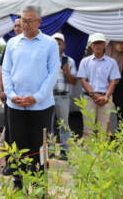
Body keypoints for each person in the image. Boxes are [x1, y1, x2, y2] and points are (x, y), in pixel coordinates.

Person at [2, 5, 60, 189]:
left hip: (41, 107)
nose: (24, 24)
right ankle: (19, 183)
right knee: (17, 146)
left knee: (40, 147)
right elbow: (6, 71)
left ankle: (39, 185)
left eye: (29, 20)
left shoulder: (50, 43)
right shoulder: (12, 43)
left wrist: (37, 97)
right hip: (16, 106)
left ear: (39, 21)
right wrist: (11, 95)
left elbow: (53, 73)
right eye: (22, 20)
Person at [77, 33, 121, 137]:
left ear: (104, 44)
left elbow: (113, 81)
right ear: (91, 45)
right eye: (95, 43)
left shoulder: (112, 62)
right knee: (88, 129)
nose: (97, 45)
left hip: (106, 98)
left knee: (104, 129)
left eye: (100, 42)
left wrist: (105, 97)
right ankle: (88, 153)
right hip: (89, 98)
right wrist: (94, 95)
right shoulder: (85, 61)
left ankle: (102, 153)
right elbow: (83, 80)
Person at [0, 15, 21, 176]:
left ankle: (26, 164)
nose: (18, 28)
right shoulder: (10, 45)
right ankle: (9, 163)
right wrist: (1, 90)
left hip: (30, 98)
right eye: (15, 26)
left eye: (19, 25)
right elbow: (3, 70)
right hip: (11, 97)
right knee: (10, 131)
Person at [51, 32, 77, 161]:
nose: (56, 45)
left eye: (59, 43)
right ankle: (50, 149)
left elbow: (74, 82)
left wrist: (67, 73)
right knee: (47, 123)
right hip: (48, 96)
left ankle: (64, 150)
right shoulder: (46, 59)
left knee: (64, 124)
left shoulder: (69, 61)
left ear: (64, 46)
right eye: (54, 43)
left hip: (63, 96)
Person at [105, 41, 123, 132]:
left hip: (121, 90)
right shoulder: (104, 58)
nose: (122, 46)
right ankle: (102, 140)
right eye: (120, 43)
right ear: (113, 44)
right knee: (103, 114)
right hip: (105, 89)